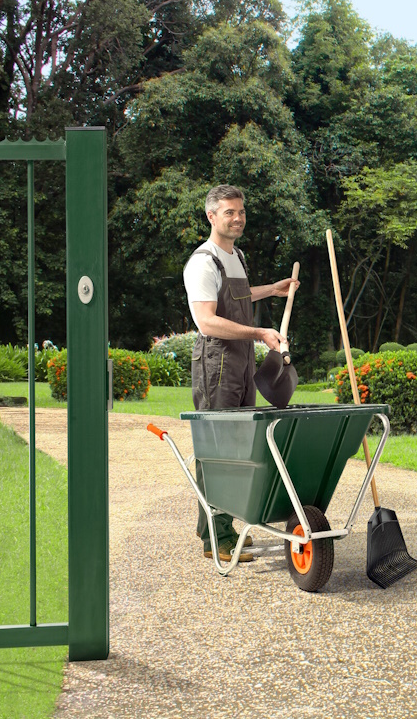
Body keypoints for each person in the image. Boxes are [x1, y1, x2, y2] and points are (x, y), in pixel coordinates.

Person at [183, 184, 299, 563]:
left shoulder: (237, 257)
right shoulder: (203, 262)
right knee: (216, 451)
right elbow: (207, 321)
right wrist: (260, 333)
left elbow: (241, 296)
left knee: (239, 448)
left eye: (240, 212)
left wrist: (273, 290)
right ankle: (215, 536)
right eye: (229, 212)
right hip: (216, 364)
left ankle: (222, 528)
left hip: (242, 362)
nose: (237, 218)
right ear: (211, 216)